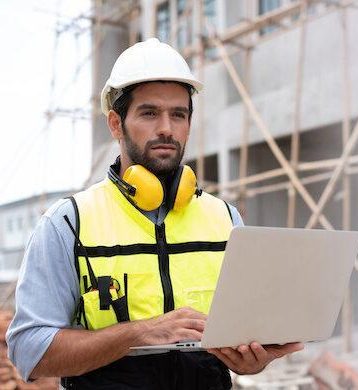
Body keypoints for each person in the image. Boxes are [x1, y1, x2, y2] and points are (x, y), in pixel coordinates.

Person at [7, 38, 303, 389]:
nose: (166, 127)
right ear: (116, 124)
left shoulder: (225, 220)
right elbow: (29, 351)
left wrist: (252, 361)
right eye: (149, 113)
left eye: (178, 114)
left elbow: (244, 343)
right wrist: (142, 333)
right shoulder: (69, 223)